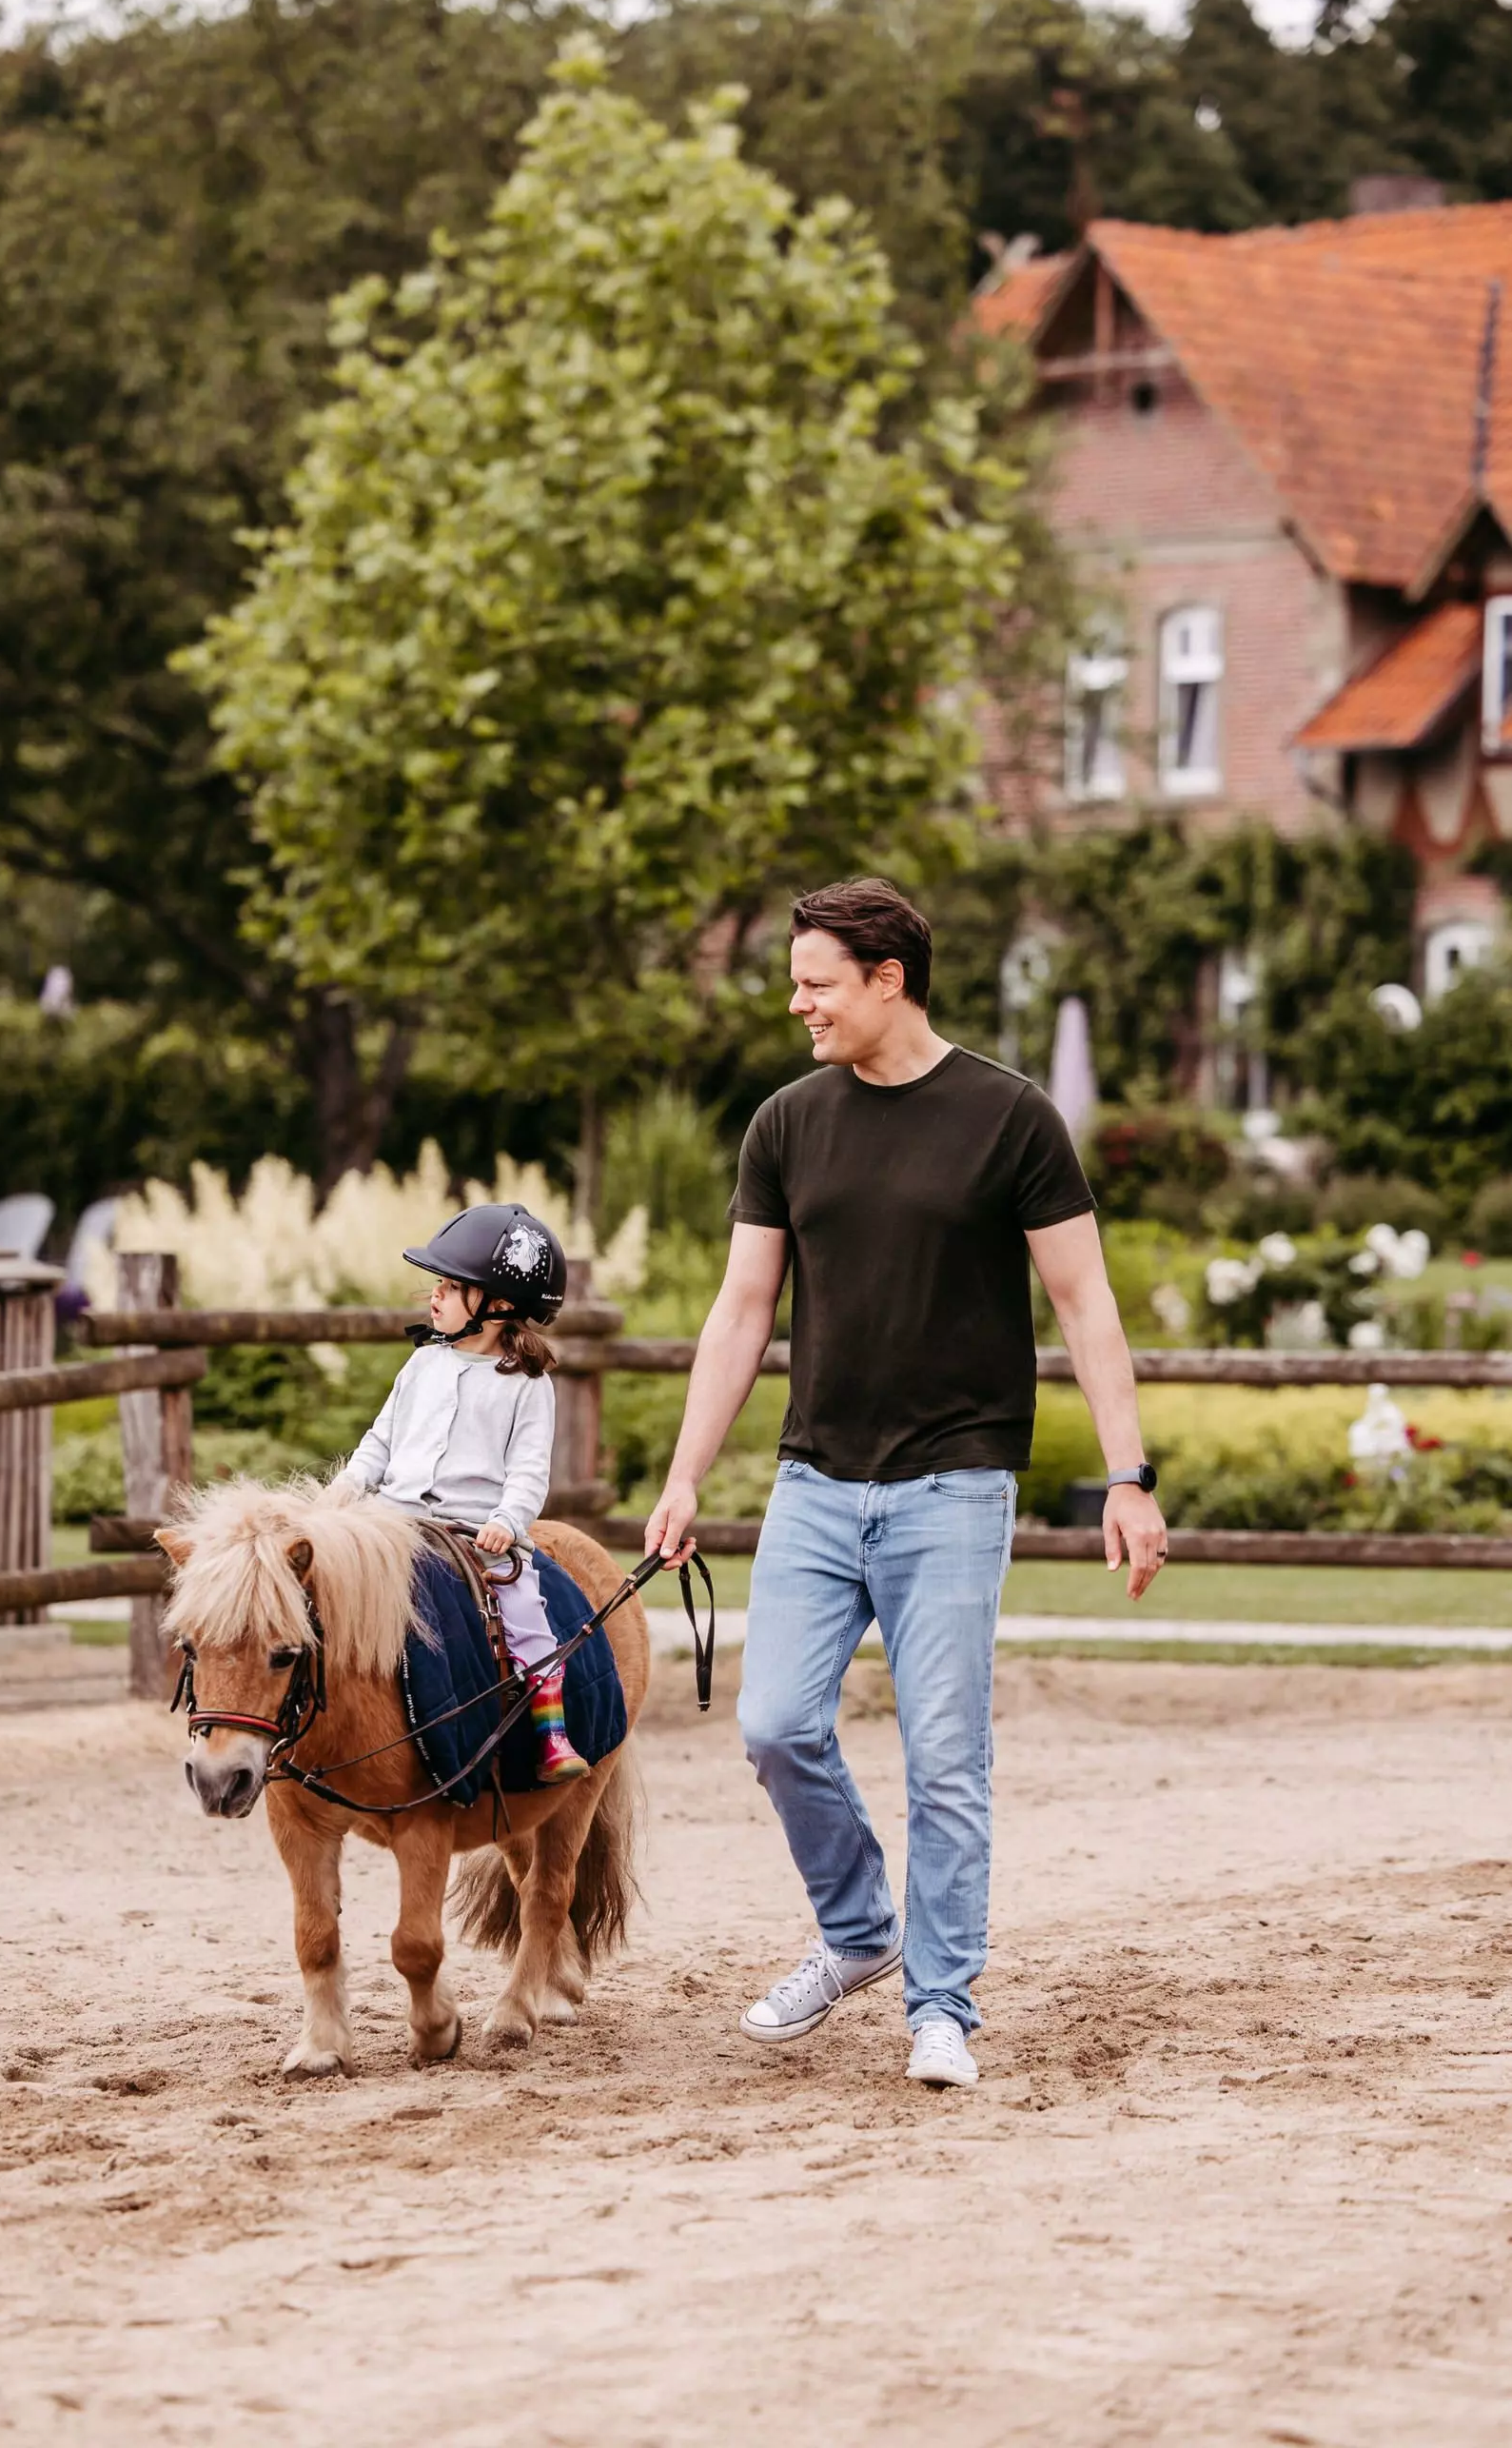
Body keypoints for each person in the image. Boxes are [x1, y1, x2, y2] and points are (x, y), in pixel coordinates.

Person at [644, 878, 1168, 2088]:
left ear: (888, 980)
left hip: (954, 1488)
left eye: (816, 982)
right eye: (795, 982)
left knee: (943, 1759)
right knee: (774, 1726)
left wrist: (1126, 1477)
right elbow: (740, 1311)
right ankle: (857, 1932)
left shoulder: (1009, 1117)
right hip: (814, 1483)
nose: (797, 1003)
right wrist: (682, 1477)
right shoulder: (785, 1124)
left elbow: (1084, 1303)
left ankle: (941, 2006)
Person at [344, 1202, 588, 1784]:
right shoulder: (421, 1365)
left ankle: (550, 1731)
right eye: (439, 1284)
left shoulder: (528, 1386)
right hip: (393, 1522)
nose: (435, 1295)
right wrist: (347, 1487)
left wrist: (507, 1519)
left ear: (498, 1306)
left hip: (475, 1531)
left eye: (452, 1287)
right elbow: (381, 1441)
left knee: (525, 1613)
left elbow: (528, 1472)